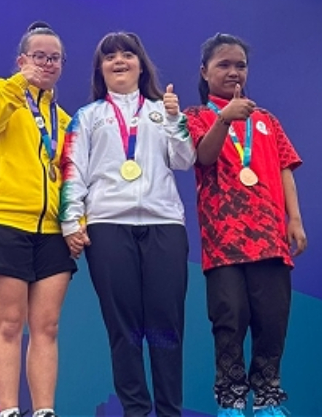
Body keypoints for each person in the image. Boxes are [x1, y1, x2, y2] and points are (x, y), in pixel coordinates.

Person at [60, 31, 196, 417]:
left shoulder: (162, 111)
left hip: (164, 223)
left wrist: (175, 119)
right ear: (100, 70)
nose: (119, 61)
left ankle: (169, 411)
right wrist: (71, 221)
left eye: (127, 54)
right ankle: (136, 411)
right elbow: (72, 170)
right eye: (110, 57)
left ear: (141, 65)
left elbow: (184, 160)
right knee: (123, 327)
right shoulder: (87, 117)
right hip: (107, 225)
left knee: (166, 326)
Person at [183, 33, 307, 417]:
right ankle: (232, 399)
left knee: (272, 320)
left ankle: (268, 397)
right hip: (224, 242)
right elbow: (203, 157)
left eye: (240, 65)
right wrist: (225, 117)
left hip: (270, 238)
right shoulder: (196, 116)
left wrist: (295, 220)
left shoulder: (266, 120)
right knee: (229, 320)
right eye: (223, 65)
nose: (233, 71)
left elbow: (285, 169)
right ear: (205, 72)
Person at [0, 21, 77, 417]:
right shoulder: (2, 93)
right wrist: (19, 84)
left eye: (55, 58)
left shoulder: (63, 120)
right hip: (2, 220)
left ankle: (45, 410)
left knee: (47, 327)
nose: (47, 64)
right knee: (10, 323)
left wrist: (76, 221)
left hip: (51, 229)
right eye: (39, 57)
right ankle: (9, 410)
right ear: (21, 60)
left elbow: (72, 177)